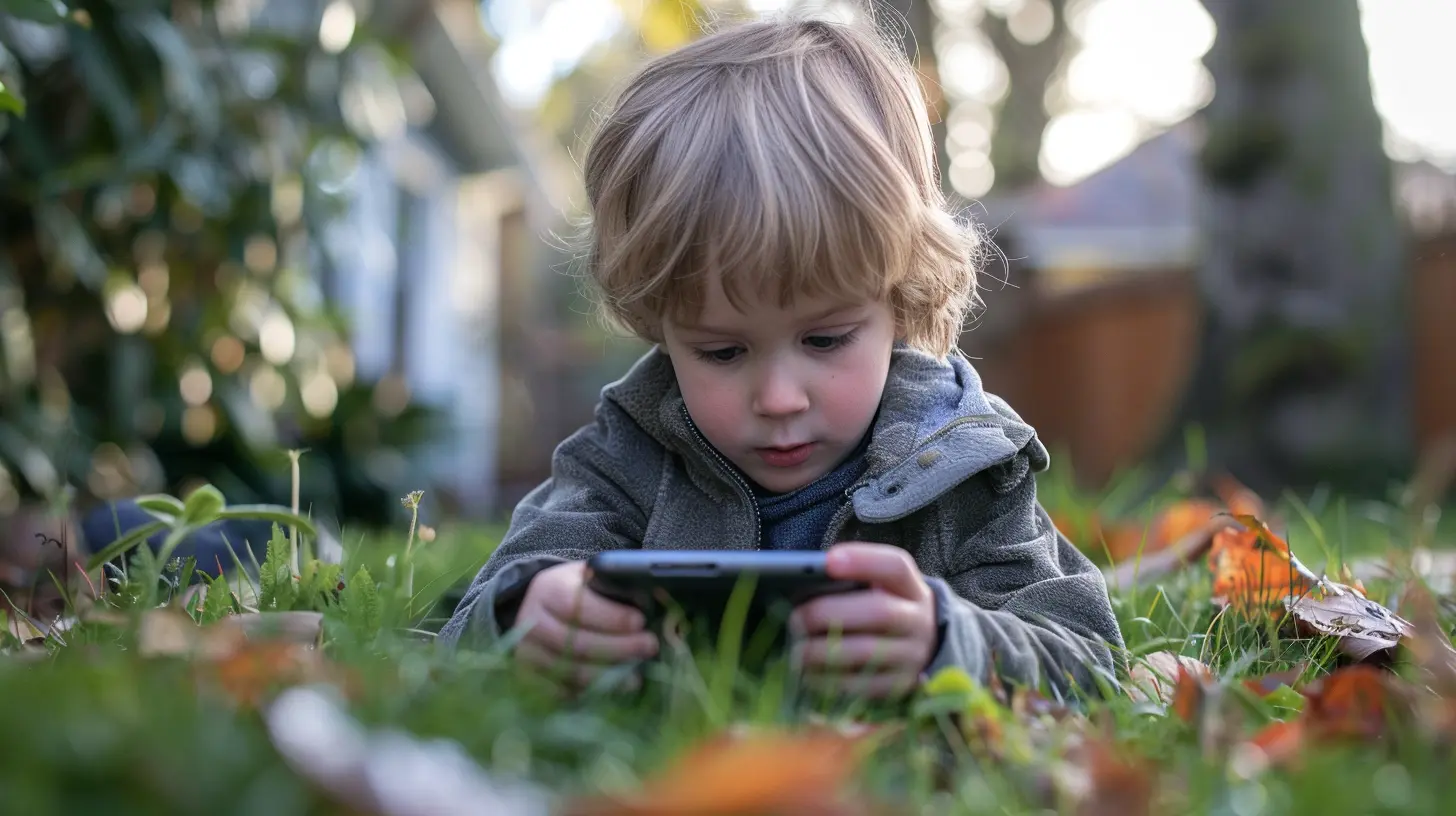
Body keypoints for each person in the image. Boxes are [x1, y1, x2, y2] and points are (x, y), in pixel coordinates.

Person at [440, 12, 1124, 700]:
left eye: (824, 340)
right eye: (722, 351)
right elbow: (458, 633)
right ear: (660, 326)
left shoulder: (963, 466)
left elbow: (1091, 664)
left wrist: (949, 643)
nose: (779, 398)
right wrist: (525, 616)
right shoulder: (625, 458)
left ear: (899, 295)